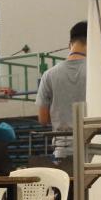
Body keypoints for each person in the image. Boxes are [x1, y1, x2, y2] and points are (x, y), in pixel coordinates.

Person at [37, 20, 87, 162]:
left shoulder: (49, 75)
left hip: (62, 152)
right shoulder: (98, 71)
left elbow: (43, 119)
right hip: (94, 150)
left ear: (70, 44)